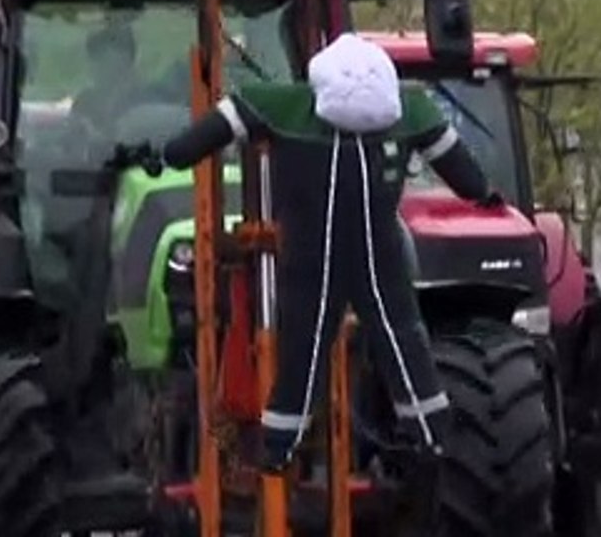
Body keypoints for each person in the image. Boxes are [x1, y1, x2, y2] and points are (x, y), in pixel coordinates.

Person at [153, 32, 501, 474]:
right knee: (402, 335)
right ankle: (432, 437)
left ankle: (278, 447)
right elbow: (461, 170)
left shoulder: (283, 107)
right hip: (380, 251)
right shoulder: (412, 111)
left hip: (310, 254)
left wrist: (168, 155)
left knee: (304, 342)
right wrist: (485, 194)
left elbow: (201, 138)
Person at [72, 24, 146, 130]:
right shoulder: (84, 102)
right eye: (95, 59)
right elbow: (70, 140)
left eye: (105, 63)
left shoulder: (144, 102)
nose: (95, 69)